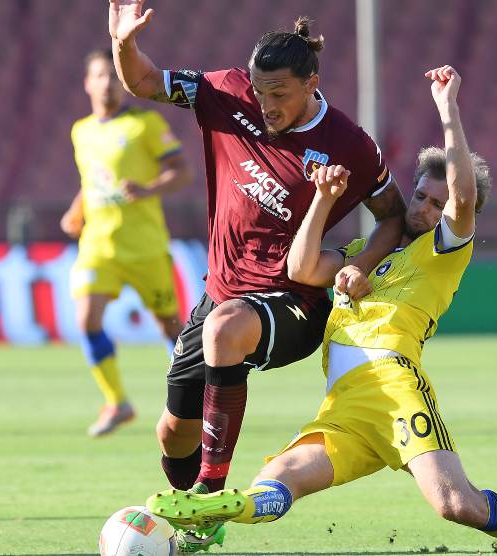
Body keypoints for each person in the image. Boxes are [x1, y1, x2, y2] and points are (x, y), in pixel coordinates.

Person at [146, 66, 497, 556]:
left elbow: (462, 195)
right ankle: (213, 514)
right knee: (274, 482)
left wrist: (448, 112)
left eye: (437, 203)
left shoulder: (445, 251)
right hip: (345, 407)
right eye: (420, 195)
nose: (424, 208)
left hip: (398, 392)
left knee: (456, 504)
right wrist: (322, 201)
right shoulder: (369, 250)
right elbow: (301, 268)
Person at [109, 0, 406, 538]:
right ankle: (197, 524)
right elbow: (145, 82)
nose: (266, 104)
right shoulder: (225, 94)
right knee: (174, 435)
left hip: (294, 300)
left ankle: (213, 491)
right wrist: (123, 43)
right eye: (260, 90)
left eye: (280, 93)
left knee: (227, 332)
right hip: (221, 291)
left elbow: (393, 218)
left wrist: (361, 264)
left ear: (311, 82)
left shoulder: (349, 144)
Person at [62, 49, 191, 437]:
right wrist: (77, 209)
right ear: (87, 83)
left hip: (145, 245)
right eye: (100, 76)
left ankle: (190, 404)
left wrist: (148, 188)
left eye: (114, 77)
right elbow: (93, 180)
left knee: (170, 328)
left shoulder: (145, 124)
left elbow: (182, 172)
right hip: (99, 244)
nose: (108, 83)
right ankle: (117, 402)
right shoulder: (81, 131)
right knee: (86, 318)